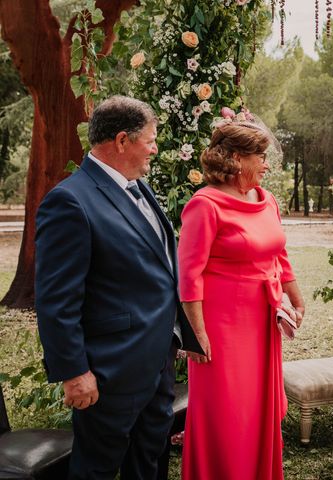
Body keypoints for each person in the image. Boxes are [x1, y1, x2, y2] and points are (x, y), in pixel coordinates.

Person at [35, 95, 197, 479]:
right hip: (109, 371)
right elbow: (56, 301)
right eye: (151, 139)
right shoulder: (70, 202)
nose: (155, 148)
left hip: (156, 362)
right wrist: (75, 373)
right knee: (98, 468)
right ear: (122, 141)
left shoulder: (139, 188)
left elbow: (159, 269)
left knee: (151, 460)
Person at [178, 120, 305, 480]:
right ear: (236, 158)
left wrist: (295, 298)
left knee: (256, 410)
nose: (266, 165)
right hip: (219, 327)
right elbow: (189, 275)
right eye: (260, 157)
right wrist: (196, 334)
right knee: (227, 412)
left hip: (262, 322)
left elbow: (279, 255)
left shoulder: (267, 200)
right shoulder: (205, 204)